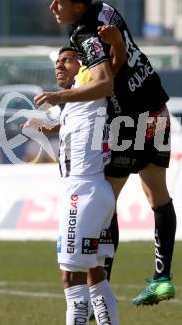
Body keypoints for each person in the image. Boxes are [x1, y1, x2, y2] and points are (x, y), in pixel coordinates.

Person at [35, 0, 176, 307]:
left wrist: (59, 98)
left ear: (78, 6)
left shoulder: (84, 35)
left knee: (103, 199)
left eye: (58, 2)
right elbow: (118, 60)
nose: (54, 8)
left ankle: (102, 285)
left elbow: (103, 83)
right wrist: (65, 123)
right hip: (156, 106)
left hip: (127, 119)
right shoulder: (107, 9)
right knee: (157, 195)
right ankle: (162, 278)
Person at [28, 46, 120, 324]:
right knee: (95, 274)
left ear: (83, 66)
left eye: (67, 60)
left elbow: (106, 74)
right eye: (57, 61)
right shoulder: (77, 100)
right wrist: (55, 127)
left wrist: (109, 40)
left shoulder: (90, 79)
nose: (59, 66)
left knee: (71, 277)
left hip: (82, 192)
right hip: (97, 191)